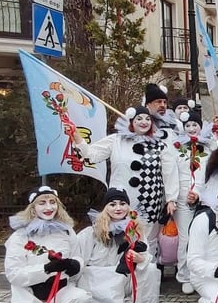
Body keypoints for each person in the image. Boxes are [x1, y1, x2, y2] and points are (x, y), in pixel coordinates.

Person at [71, 105, 178, 258]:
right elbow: (91, 155)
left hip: (150, 203)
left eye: (147, 119)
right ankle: (120, 276)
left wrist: (171, 199)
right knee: (120, 241)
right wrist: (77, 137)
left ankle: (145, 276)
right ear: (131, 121)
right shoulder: (116, 140)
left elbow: (169, 172)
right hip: (120, 203)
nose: (144, 122)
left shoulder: (160, 145)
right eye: (139, 119)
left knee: (147, 242)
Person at [4, 186, 92, 303]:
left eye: (52, 202)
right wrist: (45, 269)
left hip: (59, 290)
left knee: (81, 299)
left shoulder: (66, 230)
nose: (48, 207)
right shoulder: (20, 237)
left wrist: (75, 265)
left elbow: (78, 257)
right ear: (33, 208)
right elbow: (13, 274)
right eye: (42, 203)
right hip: (32, 296)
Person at [77, 188, 163, 303]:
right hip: (98, 283)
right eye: (112, 204)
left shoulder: (134, 230)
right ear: (105, 208)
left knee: (150, 269)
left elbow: (145, 253)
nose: (118, 208)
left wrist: (140, 258)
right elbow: (79, 261)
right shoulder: (91, 232)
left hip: (121, 278)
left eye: (122, 203)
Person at [172, 108, 215, 294]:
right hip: (182, 197)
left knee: (205, 236)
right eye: (187, 125)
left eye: (194, 125)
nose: (191, 128)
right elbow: (172, 173)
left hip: (205, 197)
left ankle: (202, 272)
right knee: (186, 238)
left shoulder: (209, 145)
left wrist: (199, 192)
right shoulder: (177, 147)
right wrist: (173, 197)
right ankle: (185, 275)